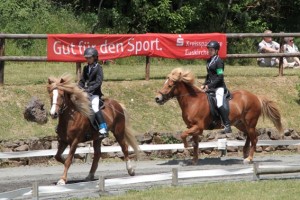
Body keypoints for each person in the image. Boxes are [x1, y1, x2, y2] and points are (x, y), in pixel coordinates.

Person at [201, 41, 232, 134]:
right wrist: (204, 83)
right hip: (211, 87)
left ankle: (227, 125)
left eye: (211, 50)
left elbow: (220, 77)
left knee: (219, 103)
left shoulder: (219, 61)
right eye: (208, 50)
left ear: (216, 50)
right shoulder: (209, 60)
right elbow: (209, 75)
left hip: (219, 87)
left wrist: (209, 85)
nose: (209, 51)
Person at [78, 48, 108, 139]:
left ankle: (103, 128)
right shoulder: (86, 68)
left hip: (95, 93)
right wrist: (78, 87)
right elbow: (82, 81)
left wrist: (89, 90)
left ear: (95, 58)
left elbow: (98, 82)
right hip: (86, 92)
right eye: (86, 58)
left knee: (94, 107)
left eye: (89, 58)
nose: (88, 60)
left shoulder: (98, 68)